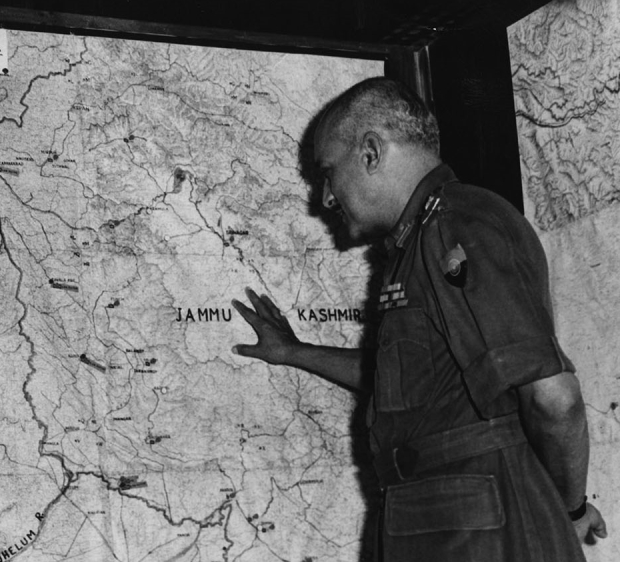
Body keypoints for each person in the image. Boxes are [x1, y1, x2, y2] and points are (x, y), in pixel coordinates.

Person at [231, 77, 607, 561]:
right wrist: (293, 352)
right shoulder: (420, 241)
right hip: (438, 521)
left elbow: (554, 398)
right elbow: (407, 382)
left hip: (479, 533)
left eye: (328, 172)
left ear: (370, 152)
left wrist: (568, 513)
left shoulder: (458, 226)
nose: (325, 197)